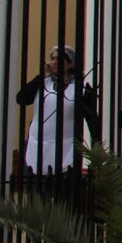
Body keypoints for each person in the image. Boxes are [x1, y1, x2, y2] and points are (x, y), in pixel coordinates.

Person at [15, 44, 101, 175]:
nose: (54, 62)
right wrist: (41, 76)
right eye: (52, 58)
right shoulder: (41, 84)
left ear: (70, 64)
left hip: (67, 149)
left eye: (59, 59)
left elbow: (92, 121)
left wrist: (96, 151)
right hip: (35, 146)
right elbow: (21, 99)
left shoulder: (81, 88)